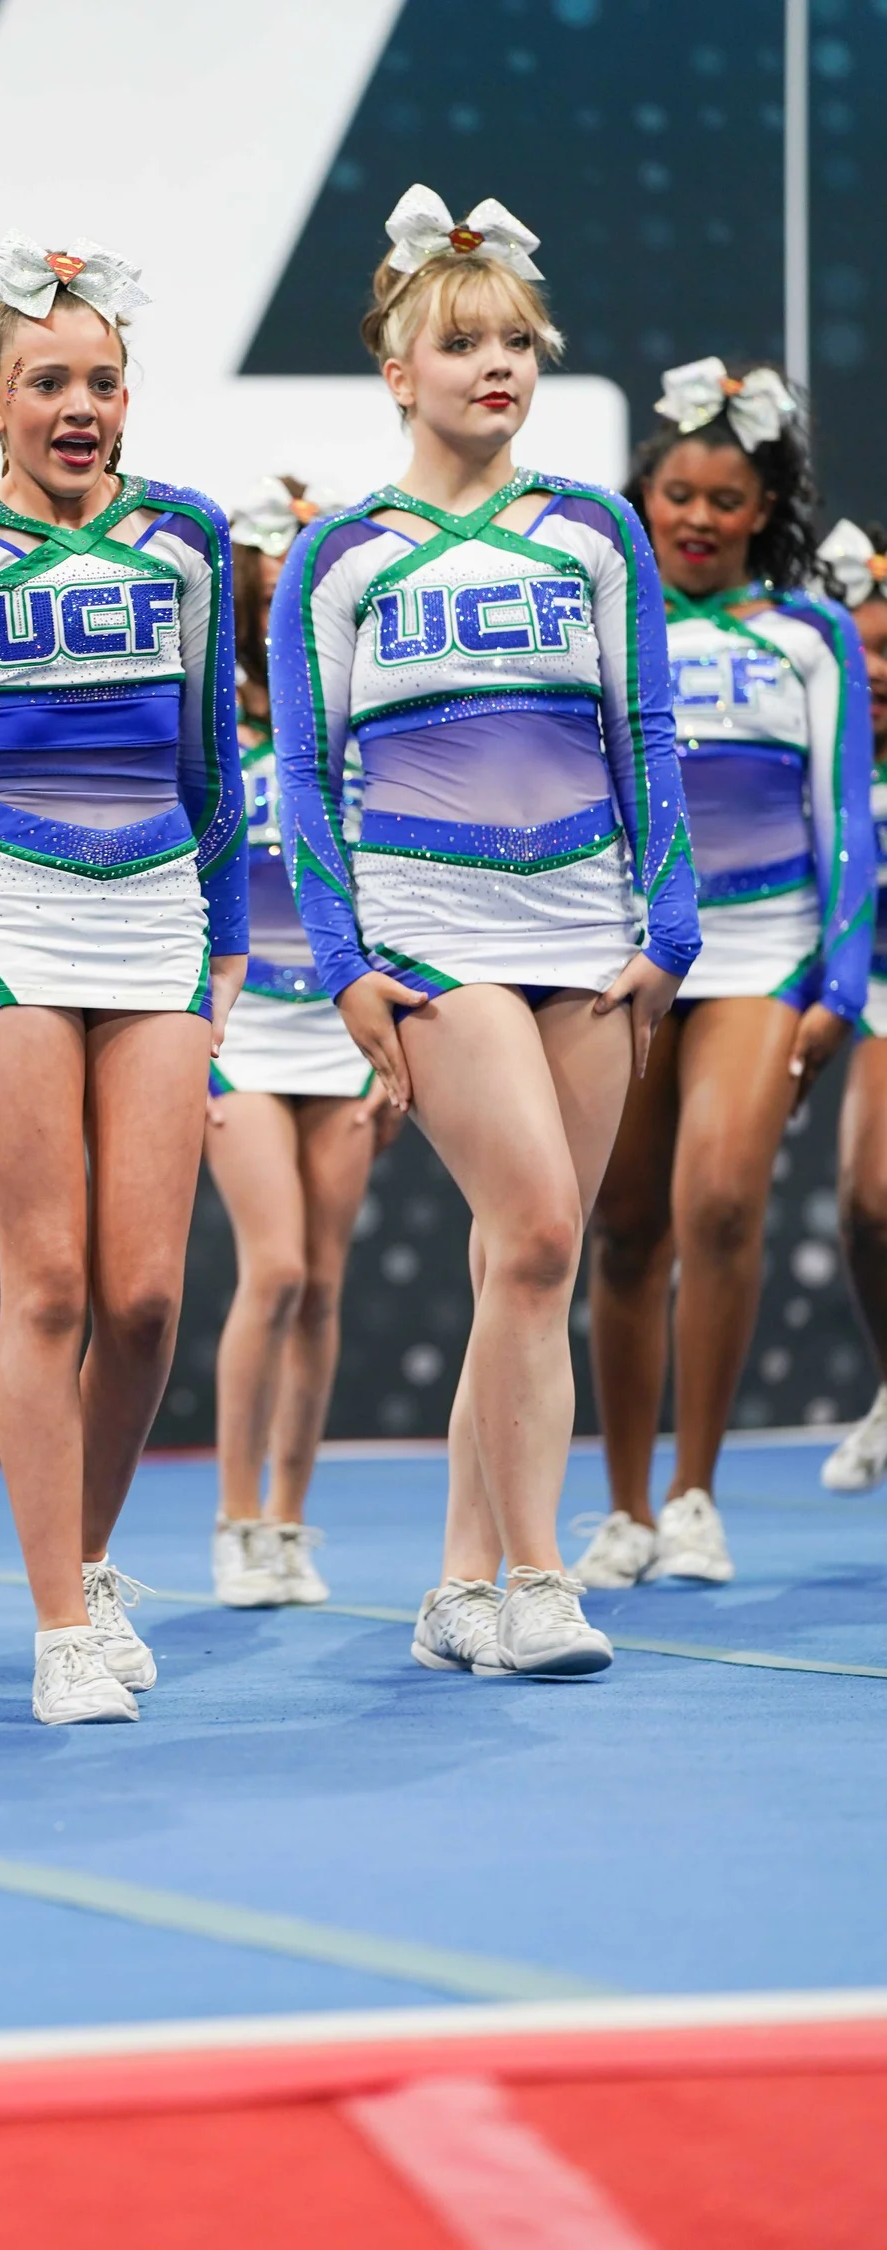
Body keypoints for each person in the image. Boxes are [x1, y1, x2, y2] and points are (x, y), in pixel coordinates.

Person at [272, 185, 698, 1678]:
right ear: (399, 370)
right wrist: (343, 961)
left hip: (585, 924)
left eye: (516, 341)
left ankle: (457, 1585)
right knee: (535, 1232)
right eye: (461, 344)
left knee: (527, 1268)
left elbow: (647, 729)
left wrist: (672, 921)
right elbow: (303, 774)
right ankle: (535, 1576)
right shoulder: (339, 556)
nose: (496, 365)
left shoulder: (594, 531)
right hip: (430, 931)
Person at [0, 232, 246, 1725]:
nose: (77, 405)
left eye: (101, 380)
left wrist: (228, 945)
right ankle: (55, 1630)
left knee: (147, 1296)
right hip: (9, 923)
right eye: (46, 381)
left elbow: (214, 765)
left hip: (159, 920)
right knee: (48, 1285)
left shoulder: (189, 535)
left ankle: (90, 1565)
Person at [578, 364, 872, 1584]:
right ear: (643, 499)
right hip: (633, 951)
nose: (698, 518)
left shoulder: (811, 636)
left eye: (726, 499)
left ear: (765, 511)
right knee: (626, 1228)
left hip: (764, 952)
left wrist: (839, 987)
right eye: (679, 495)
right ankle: (624, 1510)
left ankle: (694, 1494)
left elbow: (843, 817)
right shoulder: (605, 625)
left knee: (719, 1203)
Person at [207, 476, 402, 1609]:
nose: (289, 586)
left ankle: (287, 1519)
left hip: (342, 1025)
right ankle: (234, 1520)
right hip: (235, 1031)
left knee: (322, 1285)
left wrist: (391, 1036)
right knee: (274, 1267)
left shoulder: (356, 718)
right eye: (272, 570)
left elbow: (392, 876)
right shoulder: (202, 717)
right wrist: (185, 1028)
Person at [816, 521, 887, 1489]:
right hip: (867, 988)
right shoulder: (816, 744)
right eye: (860, 649)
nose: (875, 669)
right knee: (870, 1208)